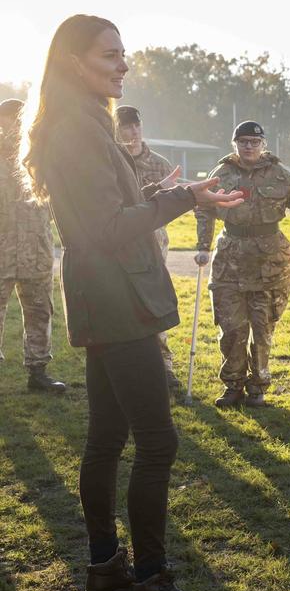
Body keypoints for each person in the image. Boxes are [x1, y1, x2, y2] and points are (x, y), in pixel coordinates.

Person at [20, 14, 243, 591]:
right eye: (109, 54)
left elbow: (111, 214)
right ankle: (150, 582)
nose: (123, 64)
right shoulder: (77, 130)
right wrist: (185, 198)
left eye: (124, 53)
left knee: (106, 440)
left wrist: (176, 194)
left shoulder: (85, 122)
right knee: (157, 441)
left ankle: (105, 570)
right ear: (74, 62)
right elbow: (110, 228)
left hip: (106, 297)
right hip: (117, 302)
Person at [194, 121, 290, 408]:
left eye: (254, 141)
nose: (248, 146)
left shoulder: (281, 174)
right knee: (231, 328)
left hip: (270, 261)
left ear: (264, 144)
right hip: (230, 260)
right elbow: (203, 208)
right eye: (243, 141)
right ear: (234, 143)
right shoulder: (221, 173)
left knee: (262, 329)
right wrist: (203, 245)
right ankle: (233, 385)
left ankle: (259, 386)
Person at [0, 99, 66, 392]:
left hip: (36, 251)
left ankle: (38, 372)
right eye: (8, 119)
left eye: (18, 119)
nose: (14, 125)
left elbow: (62, 199)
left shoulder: (42, 158)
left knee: (40, 312)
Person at [115, 104, 180, 392]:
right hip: (120, 243)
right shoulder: (112, 162)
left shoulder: (160, 163)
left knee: (155, 302)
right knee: (122, 304)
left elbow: (171, 204)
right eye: (126, 126)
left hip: (153, 243)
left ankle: (163, 367)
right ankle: (128, 368)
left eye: (136, 125)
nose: (133, 130)